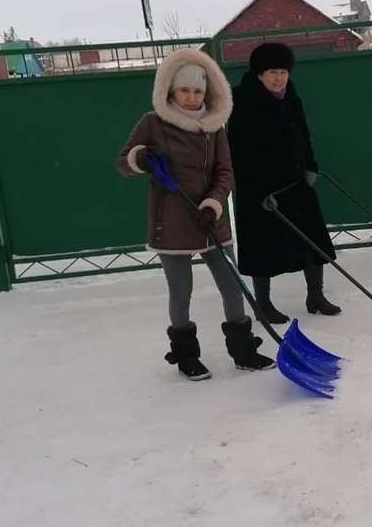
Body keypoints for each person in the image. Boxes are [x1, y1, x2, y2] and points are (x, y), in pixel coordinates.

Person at [117, 47, 275, 381]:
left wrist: (213, 203)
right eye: (185, 90)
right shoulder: (153, 123)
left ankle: (243, 350)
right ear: (170, 91)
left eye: (198, 91)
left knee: (232, 285)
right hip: (172, 223)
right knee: (181, 291)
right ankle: (186, 355)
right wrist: (140, 158)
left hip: (210, 219)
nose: (192, 98)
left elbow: (225, 172)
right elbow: (123, 162)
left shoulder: (214, 126)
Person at [226, 42, 340, 324]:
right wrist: (258, 192)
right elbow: (237, 151)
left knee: (312, 241)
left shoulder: (291, 98)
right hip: (262, 191)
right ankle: (263, 304)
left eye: (284, 72)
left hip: (297, 184)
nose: (279, 78)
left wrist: (310, 166)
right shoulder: (242, 101)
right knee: (262, 248)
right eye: (273, 72)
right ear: (259, 73)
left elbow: (304, 136)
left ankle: (315, 295)